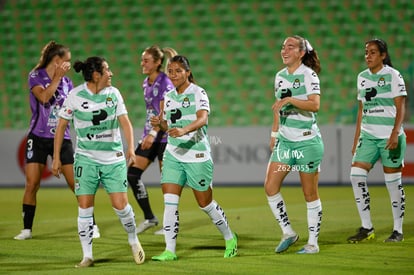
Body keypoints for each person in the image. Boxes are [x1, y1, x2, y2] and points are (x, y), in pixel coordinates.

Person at [52, 56, 145, 267]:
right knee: (84, 207)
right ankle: (87, 255)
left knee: (120, 206)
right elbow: (60, 127)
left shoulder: (114, 94)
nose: (111, 73)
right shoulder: (75, 96)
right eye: (107, 70)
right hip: (86, 159)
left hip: (113, 159)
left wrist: (130, 148)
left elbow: (126, 123)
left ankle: (133, 239)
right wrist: (57, 157)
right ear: (96, 75)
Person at [150, 55, 238, 261]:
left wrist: (184, 130)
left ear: (188, 72)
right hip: (173, 155)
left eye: (178, 71)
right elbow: (167, 125)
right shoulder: (169, 96)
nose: (174, 75)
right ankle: (169, 250)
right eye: (170, 71)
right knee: (170, 202)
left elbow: (203, 119)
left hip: (197, 155)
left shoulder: (198, 92)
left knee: (205, 203)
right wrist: (159, 123)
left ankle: (230, 237)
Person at [14, 41, 100, 240]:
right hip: (37, 137)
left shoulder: (68, 83)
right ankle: (27, 229)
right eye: (67, 61)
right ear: (57, 60)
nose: (68, 65)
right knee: (32, 184)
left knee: (76, 184)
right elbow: (44, 98)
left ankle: (92, 225)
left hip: (62, 138)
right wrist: (57, 78)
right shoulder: (35, 76)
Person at [264, 35, 324, 254]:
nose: (284, 50)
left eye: (290, 47)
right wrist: (274, 133)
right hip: (286, 142)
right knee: (270, 186)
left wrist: (290, 100)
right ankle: (288, 232)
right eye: (282, 47)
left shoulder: (309, 75)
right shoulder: (279, 76)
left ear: (301, 53)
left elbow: (315, 105)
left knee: (309, 193)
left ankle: (313, 243)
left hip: (307, 142)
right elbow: (278, 108)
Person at [347, 38, 407, 243]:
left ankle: (397, 230)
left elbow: (400, 107)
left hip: (389, 136)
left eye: (373, 52)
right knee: (356, 175)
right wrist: (356, 139)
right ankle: (367, 227)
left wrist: (395, 133)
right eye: (366, 52)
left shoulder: (393, 75)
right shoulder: (362, 77)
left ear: (383, 55)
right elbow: (361, 110)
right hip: (368, 136)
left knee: (393, 184)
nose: (368, 56)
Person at [128, 45, 177, 234]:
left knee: (167, 182)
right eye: (142, 60)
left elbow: (165, 113)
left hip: (164, 137)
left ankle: (170, 224)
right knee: (132, 175)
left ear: (158, 62)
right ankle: (150, 217)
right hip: (149, 135)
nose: (142, 63)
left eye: (146, 60)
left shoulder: (165, 82)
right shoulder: (145, 83)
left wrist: (153, 133)